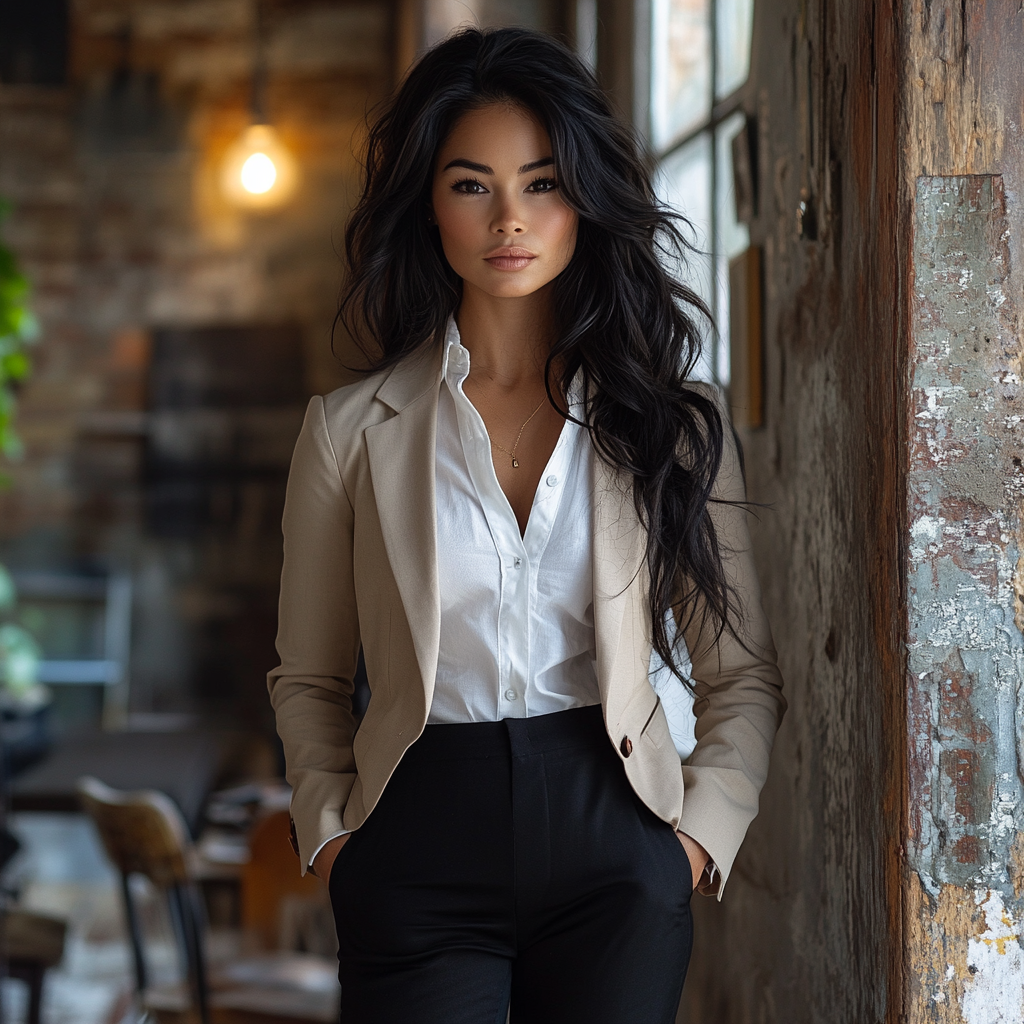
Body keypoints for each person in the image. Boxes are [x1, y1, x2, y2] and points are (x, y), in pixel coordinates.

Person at [268, 26, 785, 1024]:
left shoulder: (665, 424)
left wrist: (691, 845)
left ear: (584, 197)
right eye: (471, 184)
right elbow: (310, 678)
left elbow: (740, 673)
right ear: (428, 201)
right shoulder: (348, 432)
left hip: (616, 844)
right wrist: (334, 836)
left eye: (540, 183)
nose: (510, 218)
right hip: (415, 844)